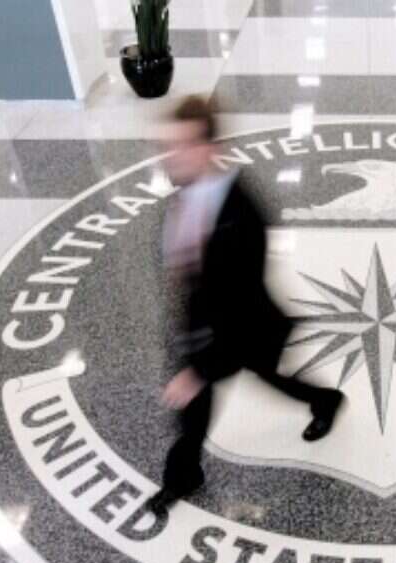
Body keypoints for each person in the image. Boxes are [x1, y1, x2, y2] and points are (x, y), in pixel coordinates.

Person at [147, 96, 344, 516]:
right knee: (194, 415)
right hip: (204, 326)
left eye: (183, 146)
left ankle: (326, 400)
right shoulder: (185, 194)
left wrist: (197, 371)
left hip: (245, 329)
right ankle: (183, 477)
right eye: (168, 146)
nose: (172, 156)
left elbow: (240, 306)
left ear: (209, 149)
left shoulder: (243, 216)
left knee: (268, 378)